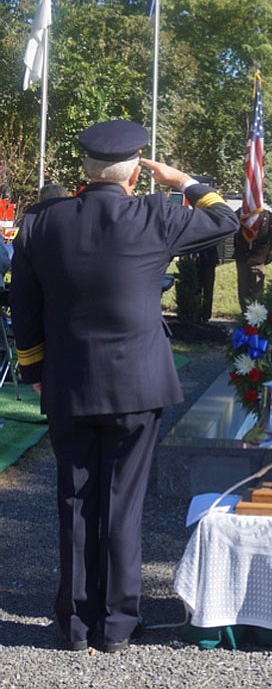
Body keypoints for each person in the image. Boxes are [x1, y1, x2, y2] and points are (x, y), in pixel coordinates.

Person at [9, 119, 239, 653]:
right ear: (136, 172)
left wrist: (35, 371)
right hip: (137, 385)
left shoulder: (41, 222)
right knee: (121, 504)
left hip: (66, 381)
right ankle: (116, 624)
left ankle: (75, 624)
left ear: (84, 171)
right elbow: (227, 220)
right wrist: (183, 180)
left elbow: (24, 306)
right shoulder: (157, 214)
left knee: (74, 500)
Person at [234, 207, 272, 310]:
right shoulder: (239, 213)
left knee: (257, 291)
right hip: (243, 257)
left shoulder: (267, 216)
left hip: (259, 257)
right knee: (243, 289)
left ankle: (256, 316)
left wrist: (269, 256)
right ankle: (245, 316)